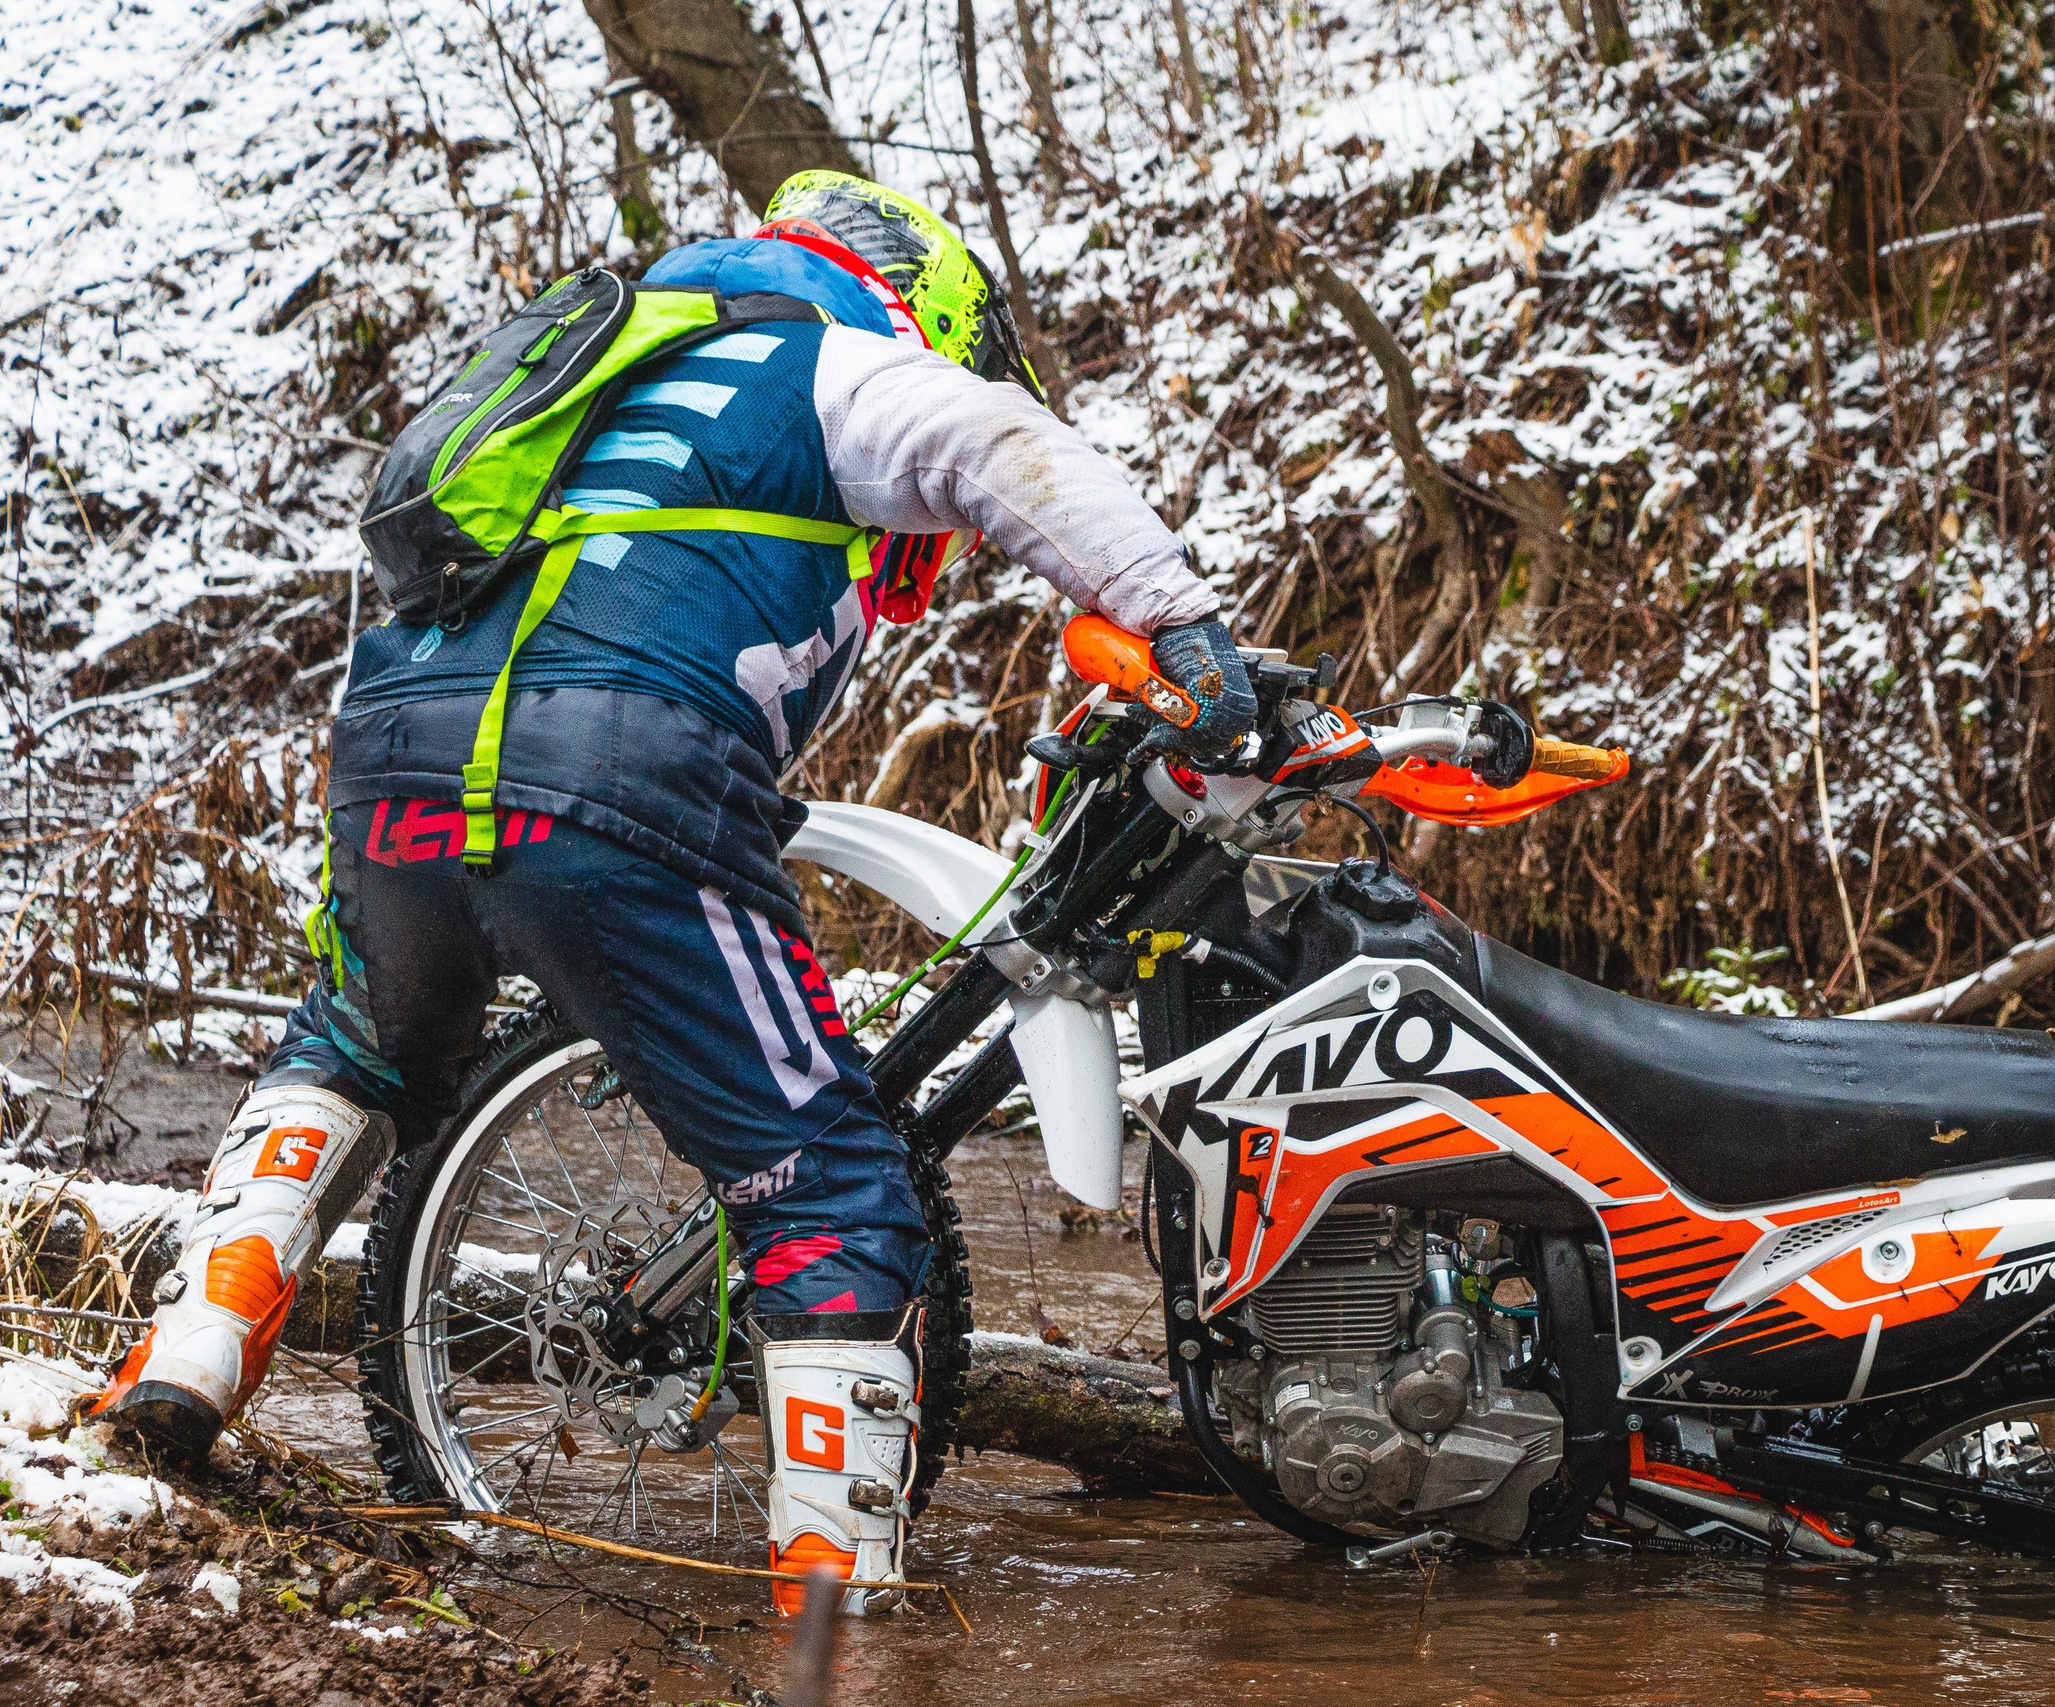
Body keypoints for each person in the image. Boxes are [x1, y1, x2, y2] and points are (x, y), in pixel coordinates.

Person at [87, 172, 1257, 1611]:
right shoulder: (830, 355)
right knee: (832, 1180)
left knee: (357, 1046)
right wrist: (1186, 631)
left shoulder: (592, 355)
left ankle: (192, 1354)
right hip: (619, 769)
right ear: (921, 299)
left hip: (394, 749)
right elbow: (1004, 450)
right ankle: (836, 1615)